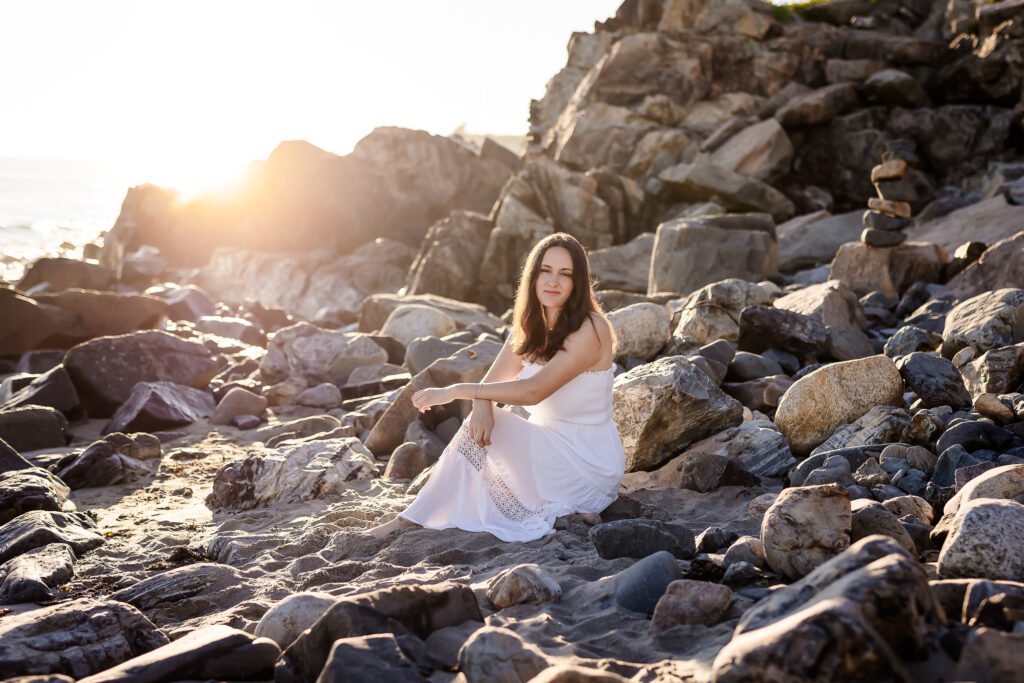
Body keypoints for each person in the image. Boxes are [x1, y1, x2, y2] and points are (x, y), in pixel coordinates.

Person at [367, 232, 626, 541]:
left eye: (565, 274)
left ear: (578, 283)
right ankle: (560, 506)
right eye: (545, 270)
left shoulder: (591, 328)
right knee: (478, 427)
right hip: (547, 447)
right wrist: (482, 404)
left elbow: (532, 391)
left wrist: (455, 391)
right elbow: (491, 382)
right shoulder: (530, 326)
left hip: (588, 462)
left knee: (481, 430)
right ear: (532, 276)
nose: (553, 281)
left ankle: (410, 520)